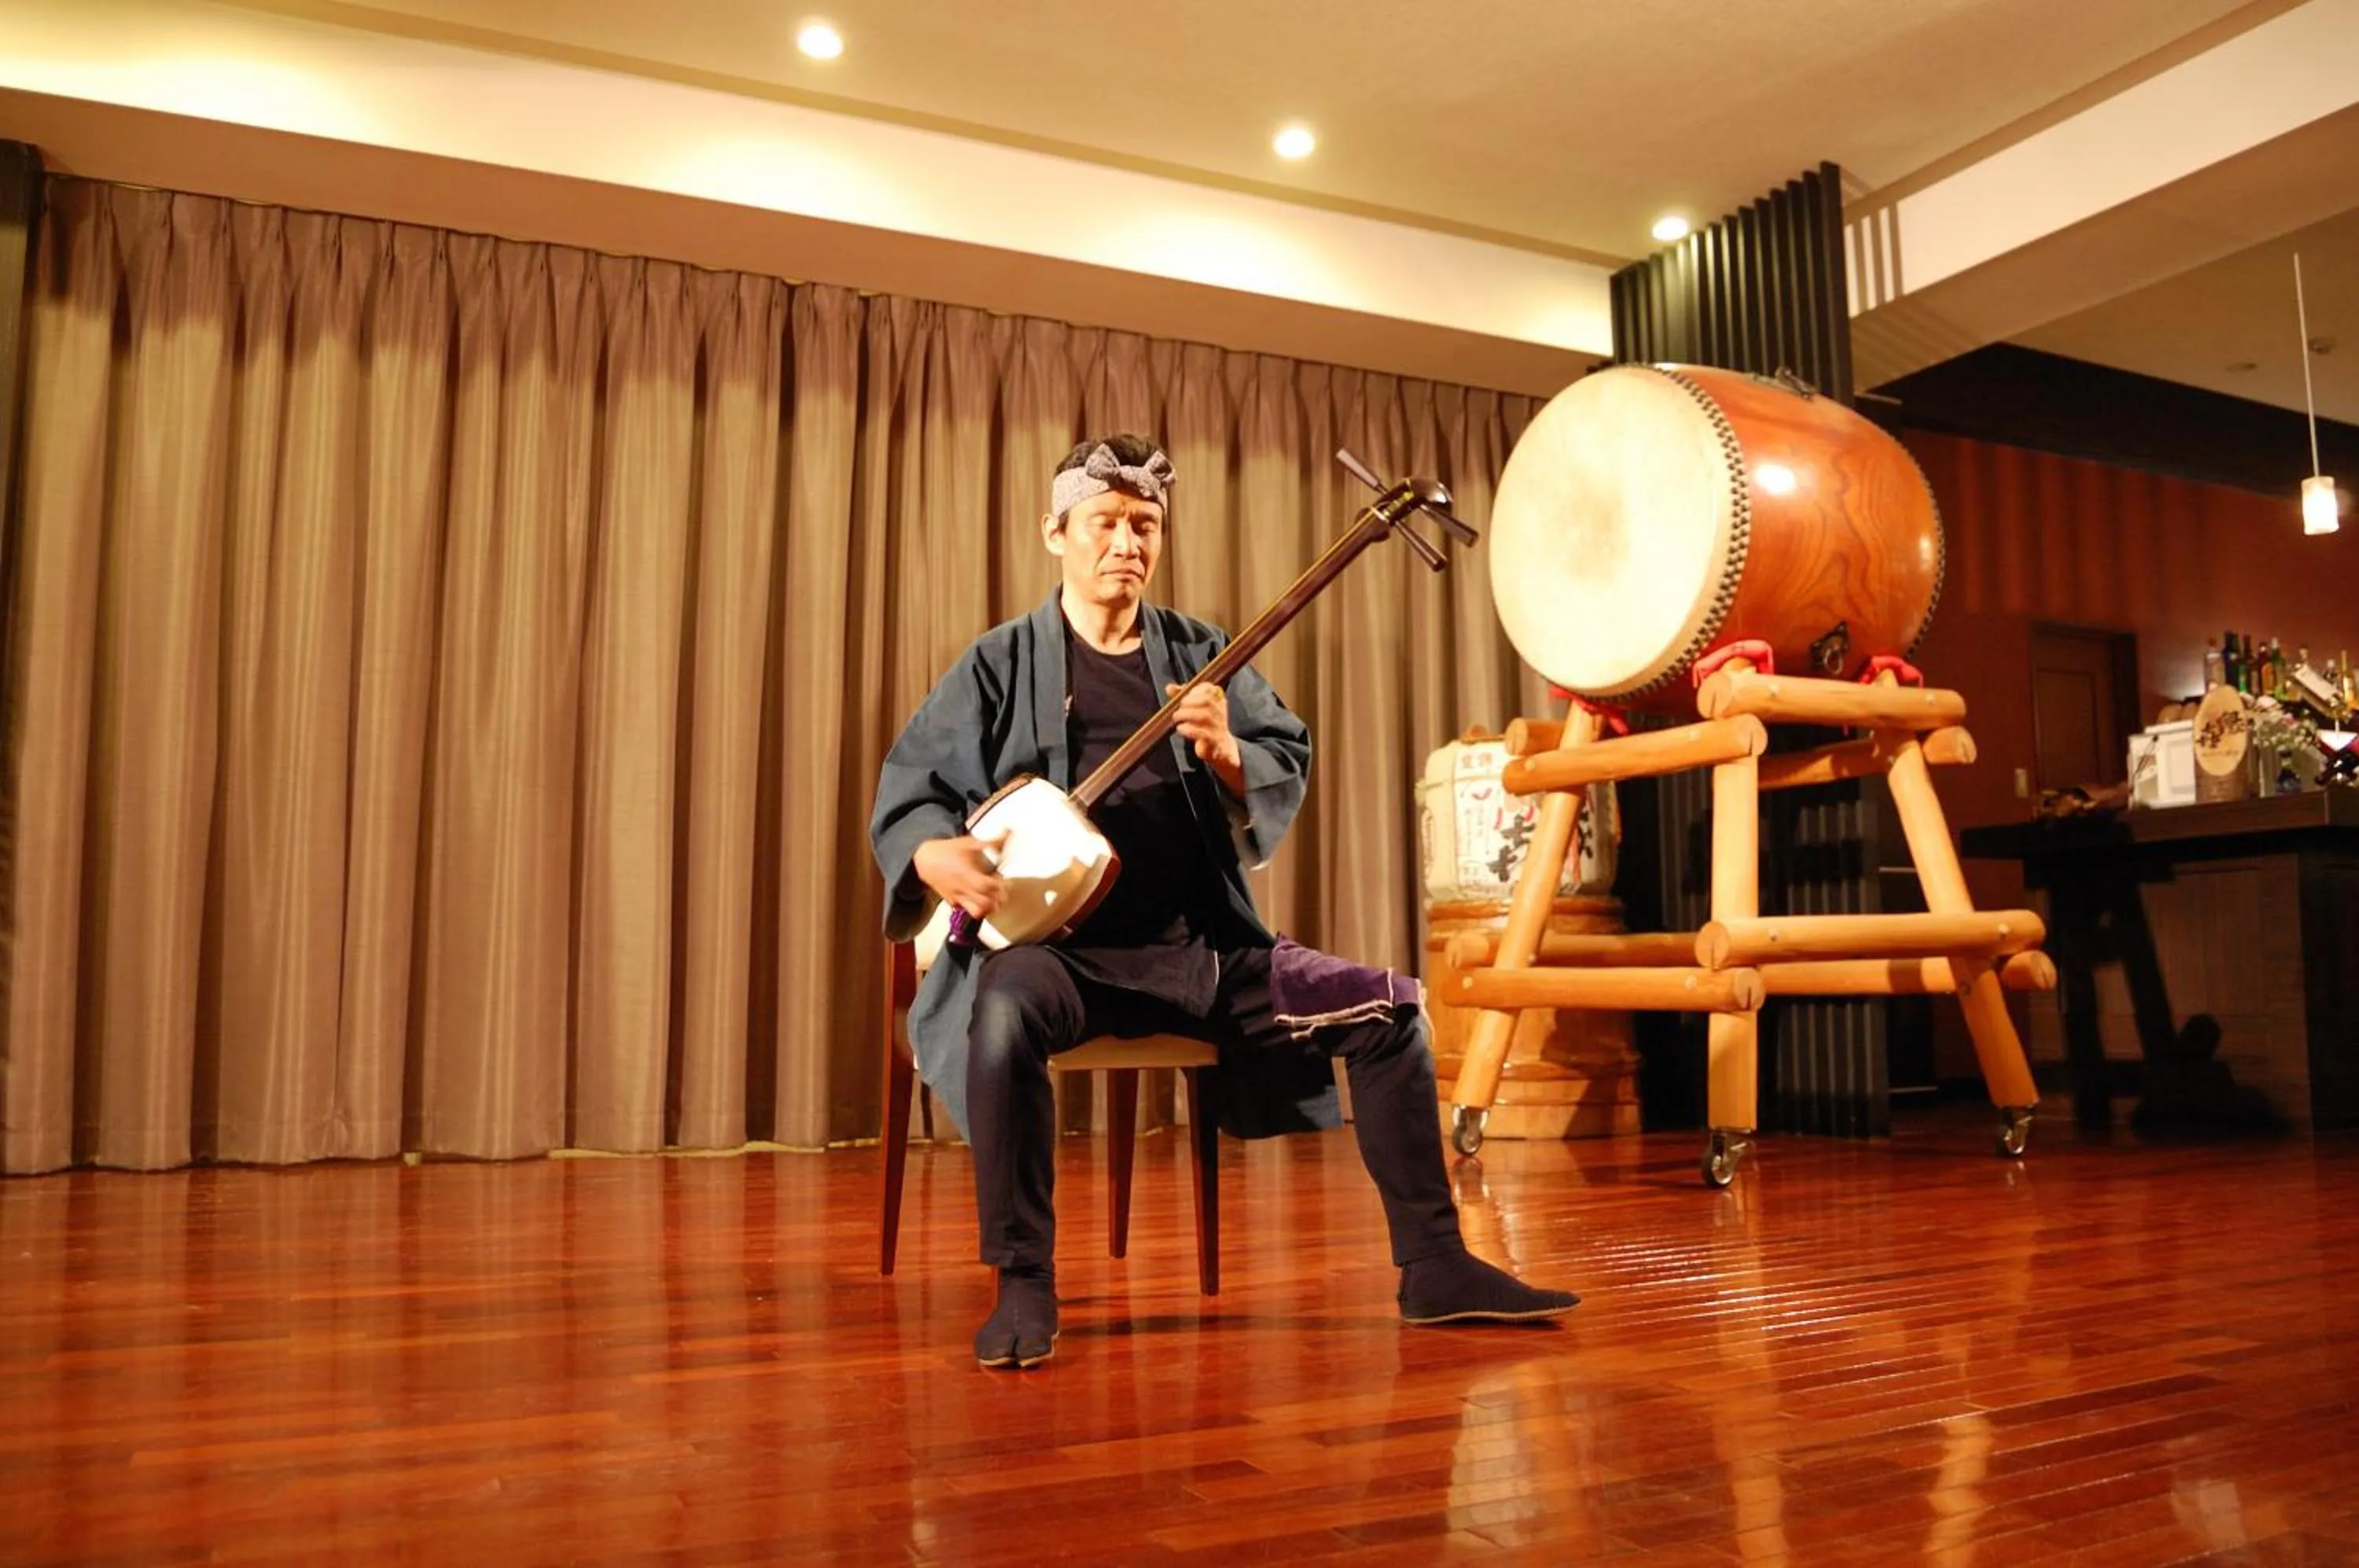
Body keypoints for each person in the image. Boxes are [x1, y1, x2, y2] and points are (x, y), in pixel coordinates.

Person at [870, 434, 1580, 1370]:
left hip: (1198, 952)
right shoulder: (999, 662)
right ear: (1055, 532)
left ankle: (1436, 1264)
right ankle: (1024, 1278)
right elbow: (913, 789)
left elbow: (1282, 755)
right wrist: (933, 853)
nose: (1126, 542)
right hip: (1057, 961)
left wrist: (1229, 753)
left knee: (1390, 1009)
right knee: (999, 1012)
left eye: (1145, 524)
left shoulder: (1203, 654)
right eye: (1105, 521)